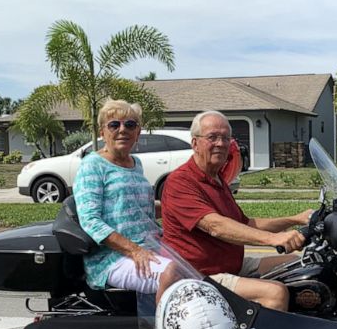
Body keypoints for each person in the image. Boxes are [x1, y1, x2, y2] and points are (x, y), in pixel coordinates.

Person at [161, 110, 312, 311]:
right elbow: (216, 226)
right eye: (212, 137)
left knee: (298, 264)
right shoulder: (181, 181)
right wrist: (271, 239)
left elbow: (246, 224)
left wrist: (296, 218)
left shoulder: (217, 180)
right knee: (275, 293)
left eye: (225, 138)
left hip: (233, 264)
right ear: (195, 143)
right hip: (200, 276)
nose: (221, 143)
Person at [73, 99, 181, 303]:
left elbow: (141, 209)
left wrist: (179, 212)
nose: (123, 130)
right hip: (112, 258)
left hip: (150, 246)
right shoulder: (92, 165)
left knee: (199, 265)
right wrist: (135, 251)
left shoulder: (136, 163)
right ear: (102, 132)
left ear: (138, 132)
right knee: (174, 276)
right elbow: (90, 220)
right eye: (114, 124)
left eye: (130, 125)